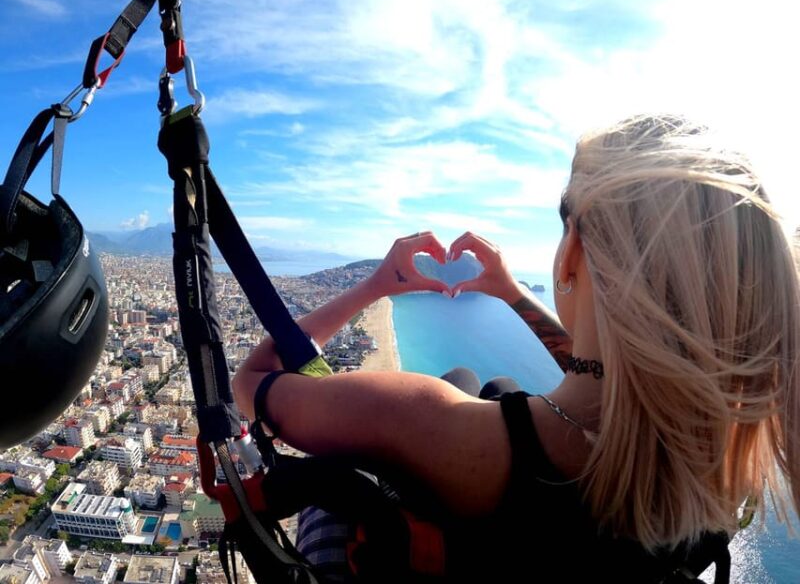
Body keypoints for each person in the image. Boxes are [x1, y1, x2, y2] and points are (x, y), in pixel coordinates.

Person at [232, 114, 800, 581]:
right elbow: (616, 370)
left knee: (463, 383)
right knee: (497, 388)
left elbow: (252, 380)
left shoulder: (427, 421)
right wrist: (510, 293)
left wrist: (375, 286)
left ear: (572, 252)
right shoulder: (721, 475)